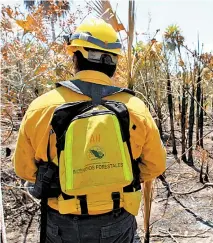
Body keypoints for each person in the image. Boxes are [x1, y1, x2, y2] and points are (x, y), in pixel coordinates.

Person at [12, 18, 166, 243]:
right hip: (116, 221)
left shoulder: (41, 107)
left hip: (61, 223)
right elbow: (156, 165)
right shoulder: (135, 107)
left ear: (76, 57)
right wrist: (116, 177)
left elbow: (24, 170)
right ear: (113, 63)